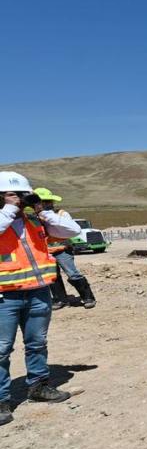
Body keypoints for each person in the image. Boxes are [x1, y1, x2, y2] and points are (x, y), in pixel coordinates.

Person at [0, 172, 81, 427]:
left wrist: (42, 210)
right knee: (1, 349)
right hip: (5, 295)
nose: (19, 200)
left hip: (38, 291)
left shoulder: (35, 220)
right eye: (13, 195)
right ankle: (2, 400)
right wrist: (9, 209)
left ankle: (38, 386)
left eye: (22, 195)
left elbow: (72, 230)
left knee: (37, 342)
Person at [34, 188, 97, 309]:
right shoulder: (34, 217)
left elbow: (70, 229)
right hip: (45, 251)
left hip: (62, 249)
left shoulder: (61, 214)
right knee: (53, 277)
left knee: (73, 274)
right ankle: (60, 299)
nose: (47, 203)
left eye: (48, 201)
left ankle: (88, 297)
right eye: (44, 201)